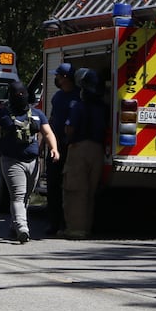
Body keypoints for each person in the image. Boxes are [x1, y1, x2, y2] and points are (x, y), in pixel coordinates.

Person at [0, 81, 58, 243]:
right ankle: (23, 228)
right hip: (11, 161)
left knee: (26, 197)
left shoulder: (37, 114)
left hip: (33, 162)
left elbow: (48, 133)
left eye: (22, 94)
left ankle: (14, 226)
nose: (20, 97)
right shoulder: (3, 115)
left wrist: (54, 149)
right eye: (17, 95)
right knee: (18, 195)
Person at [61, 68, 107, 239]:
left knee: (76, 192)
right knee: (90, 193)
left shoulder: (78, 106)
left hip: (79, 149)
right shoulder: (103, 108)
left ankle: (75, 230)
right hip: (98, 151)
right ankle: (86, 227)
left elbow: (70, 129)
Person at [45, 63, 78, 236]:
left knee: (69, 188)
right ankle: (53, 222)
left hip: (70, 148)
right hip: (54, 147)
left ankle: (67, 223)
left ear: (65, 78)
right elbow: (51, 119)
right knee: (53, 186)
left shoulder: (77, 97)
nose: (56, 79)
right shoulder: (57, 97)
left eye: (57, 76)